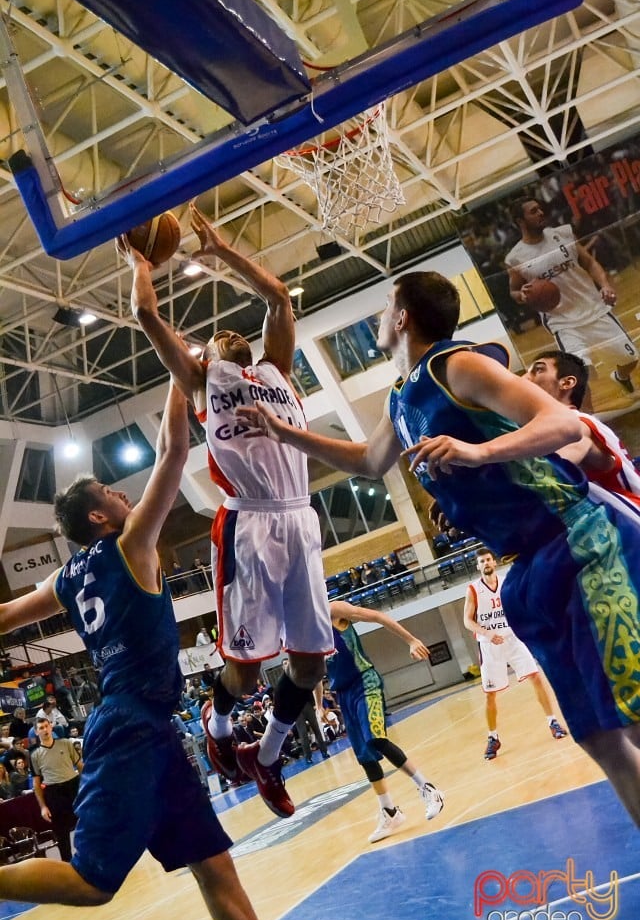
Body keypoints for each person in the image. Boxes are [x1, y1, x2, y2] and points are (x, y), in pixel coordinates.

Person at [236, 268, 640, 827]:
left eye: (384, 308)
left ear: (402, 317)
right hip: (526, 571)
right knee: (599, 739)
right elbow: (366, 461)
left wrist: (479, 453)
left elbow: (563, 423)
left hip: (577, 542)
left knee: (634, 718)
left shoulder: (458, 365)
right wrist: (282, 432)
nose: (379, 318)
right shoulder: (401, 399)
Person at [0, 382, 270, 920]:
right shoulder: (131, 543)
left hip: (152, 727)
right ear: (100, 515)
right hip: (128, 723)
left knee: (213, 863)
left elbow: (3, 616)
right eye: (110, 492)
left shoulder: (65, 579)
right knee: (93, 882)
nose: (124, 495)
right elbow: (173, 451)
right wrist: (178, 374)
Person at [117, 203, 333, 820]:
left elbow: (277, 302)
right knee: (245, 671)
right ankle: (217, 727)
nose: (226, 335)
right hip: (249, 526)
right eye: (214, 340)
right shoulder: (200, 383)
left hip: (300, 518)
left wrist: (221, 251)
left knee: (311, 666)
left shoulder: (277, 369)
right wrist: (140, 263)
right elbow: (144, 314)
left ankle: (266, 758)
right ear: (207, 361)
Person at [325, 600, 444, 843]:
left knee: (377, 739)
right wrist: (318, 706)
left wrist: (411, 640)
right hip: (343, 694)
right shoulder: (306, 630)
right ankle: (390, 812)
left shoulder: (333, 610)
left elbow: (378, 616)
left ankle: (430, 790)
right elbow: (315, 670)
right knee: (365, 757)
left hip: (364, 682)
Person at [505, 196, 639, 395]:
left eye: (540, 208)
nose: (541, 213)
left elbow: (589, 262)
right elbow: (514, 291)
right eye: (533, 211)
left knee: (630, 360)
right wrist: (522, 295)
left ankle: (620, 376)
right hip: (563, 323)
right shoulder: (515, 257)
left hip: (595, 309)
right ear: (520, 221)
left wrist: (604, 285)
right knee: (578, 373)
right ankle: (585, 419)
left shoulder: (563, 233)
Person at [464, 548, 567, 760]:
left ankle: (553, 722)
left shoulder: (506, 583)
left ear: (494, 562)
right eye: (482, 561)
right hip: (489, 645)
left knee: (536, 678)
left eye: (488, 559)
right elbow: (467, 621)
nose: (486, 563)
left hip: (512, 639)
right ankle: (493, 737)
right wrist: (487, 633)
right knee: (490, 695)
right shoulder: (473, 589)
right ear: (478, 566)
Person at [524, 350, 640, 504]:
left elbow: (542, 480)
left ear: (566, 383)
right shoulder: (572, 422)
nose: (524, 378)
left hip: (630, 518)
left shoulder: (574, 425)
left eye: (538, 370)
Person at [30, 717, 82, 862]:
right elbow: (36, 784)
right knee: (61, 833)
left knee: (87, 823)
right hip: (54, 793)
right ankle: (67, 865)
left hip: (73, 786)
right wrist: (43, 807)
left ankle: (94, 857)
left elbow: (81, 767)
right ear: (36, 731)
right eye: (41, 727)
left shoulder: (66, 743)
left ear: (51, 727)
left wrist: (88, 787)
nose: (45, 729)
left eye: (47, 726)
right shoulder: (34, 755)